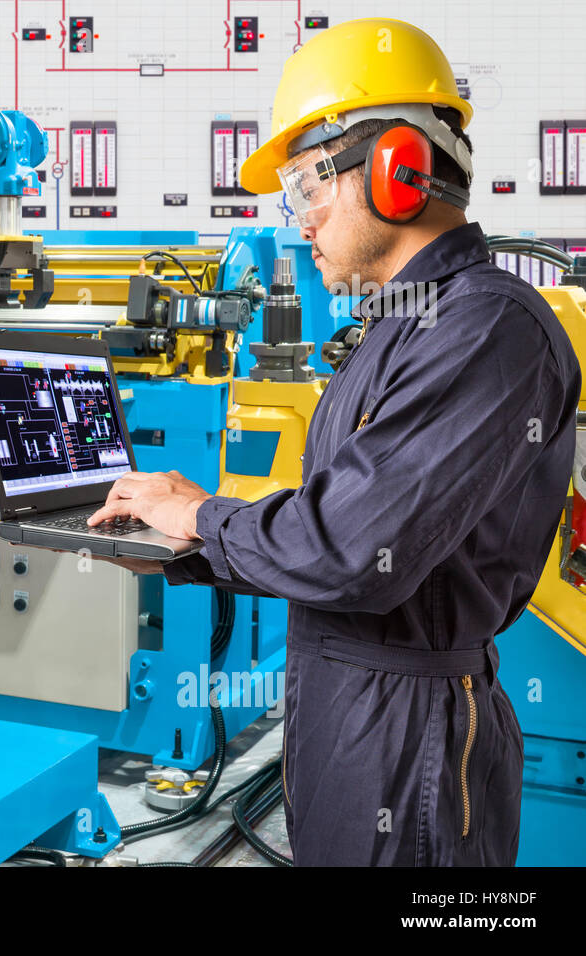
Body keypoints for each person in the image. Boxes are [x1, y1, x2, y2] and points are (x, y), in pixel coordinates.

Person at [89, 18, 581, 865]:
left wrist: (203, 517)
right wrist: (182, 547)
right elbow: (342, 516)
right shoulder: (399, 325)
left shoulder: (483, 328)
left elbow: (352, 549)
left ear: (396, 171)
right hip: (351, 710)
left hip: (413, 739)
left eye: (308, 189)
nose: (300, 223)